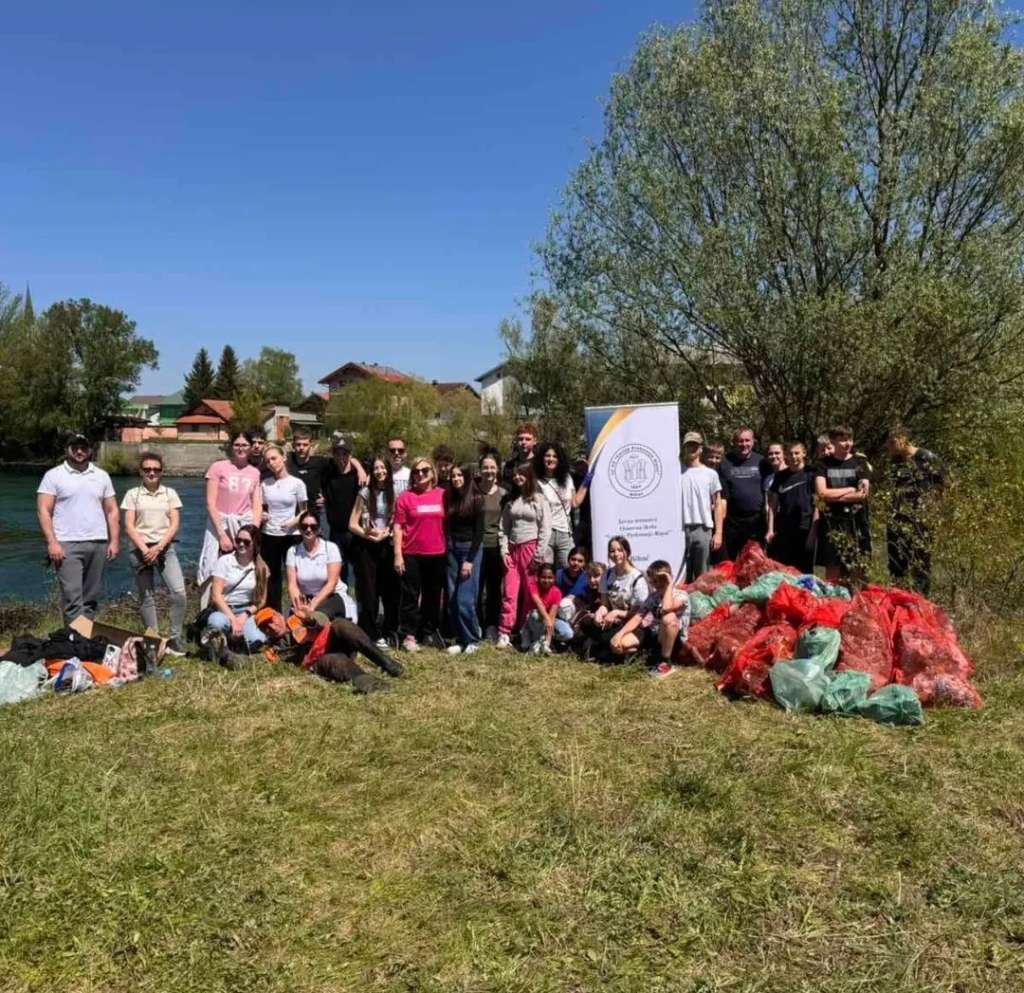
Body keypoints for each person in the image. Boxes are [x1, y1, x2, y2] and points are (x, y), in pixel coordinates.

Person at [36, 432, 120, 624]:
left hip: (98, 543)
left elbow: (112, 510)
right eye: (75, 448)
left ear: (90, 450)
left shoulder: (101, 476)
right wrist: (52, 543)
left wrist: (114, 540)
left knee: (90, 599)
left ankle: (85, 642)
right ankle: (73, 642)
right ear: (67, 450)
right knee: (72, 598)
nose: (80, 451)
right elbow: (43, 510)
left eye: (83, 447)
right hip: (66, 544)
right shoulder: (54, 476)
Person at [120, 452, 187, 655]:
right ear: (141, 471)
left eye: (156, 470)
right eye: (147, 469)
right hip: (140, 549)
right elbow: (129, 526)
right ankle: (154, 639)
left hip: (165, 548)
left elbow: (174, 523)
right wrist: (145, 549)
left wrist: (158, 547)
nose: (152, 473)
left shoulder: (170, 494)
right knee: (146, 596)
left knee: (179, 593)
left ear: (162, 472)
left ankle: (175, 639)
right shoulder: (132, 494)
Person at [197, 432, 262, 602]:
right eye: (237, 445)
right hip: (220, 523)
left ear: (250, 448)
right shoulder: (218, 467)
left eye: (244, 445)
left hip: (243, 524)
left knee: (245, 564)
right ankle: (206, 611)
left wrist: (253, 530)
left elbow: (256, 504)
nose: (240, 448)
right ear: (232, 447)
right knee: (211, 566)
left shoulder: (254, 472)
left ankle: (241, 605)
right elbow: (211, 503)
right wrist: (221, 534)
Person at [393, 456, 447, 652]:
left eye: (425, 470)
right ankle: (409, 634)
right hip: (412, 554)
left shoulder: (443, 495)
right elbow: (398, 527)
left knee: (433, 596)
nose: (420, 474)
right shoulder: (405, 497)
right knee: (410, 595)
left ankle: (428, 631)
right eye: (416, 471)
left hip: (437, 553)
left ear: (433, 472)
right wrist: (398, 554)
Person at [495, 462, 551, 649]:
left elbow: (545, 528)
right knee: (509, 592)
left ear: (529, 476)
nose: (518, 478)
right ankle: (504, 632)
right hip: (512, 550)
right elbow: (503, 528)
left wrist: (538, 554)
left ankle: (526, 632)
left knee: (530, 594)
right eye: (515, 475)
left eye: (522, 474)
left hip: (531, 549)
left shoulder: (538, 500)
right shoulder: (511, 501)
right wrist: (504, 551)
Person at [886, 427, 946, 595]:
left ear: (904, 438)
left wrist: (935, 509)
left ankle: (921, 602)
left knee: (921, 563)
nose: (889, 446)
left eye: (892, 442)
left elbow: (946, 482)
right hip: (897, 518)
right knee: (896, 562)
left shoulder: (925, 457)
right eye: (888, 442)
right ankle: (898, 600)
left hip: (921, 520)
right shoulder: (895, 461)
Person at [348, 455, 399, 646]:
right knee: (370, 591)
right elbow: (352, 524)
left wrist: (385, 534)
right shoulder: (365, 493)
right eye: (376, 468)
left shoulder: (395, 493)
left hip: (387, 544)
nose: (380, 472)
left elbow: (396, 522)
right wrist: (367, 535)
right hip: (367, 546)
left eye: (383, 468)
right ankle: (372, 632)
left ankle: (390, 629)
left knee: (390, 590)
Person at [609, 560, 689, 679]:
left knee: (668, 618)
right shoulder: (653, 597)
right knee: (620, 644)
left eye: (661, 579)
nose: (657, 584)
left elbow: (666, 608)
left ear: (669, 578)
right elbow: (638, 617)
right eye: (654, 581)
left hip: (672, 639)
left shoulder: (681, 595)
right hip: (655, 635)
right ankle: (650, 659)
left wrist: (670, 585)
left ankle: (666, 662)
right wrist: (619, 634)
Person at [814, 425, 872, 585]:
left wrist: (833, 497)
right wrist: (849, 490)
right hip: (832, 524)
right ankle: (835, 601)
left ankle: (858, 602)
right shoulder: (823, 464)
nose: (847, 444)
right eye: (843, 440)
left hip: (856, 523)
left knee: (859, 566)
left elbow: (862, 495)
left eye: (850, 440)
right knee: (833, 569)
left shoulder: (860, 462)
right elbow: (822, 493)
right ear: (832, 441)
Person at [579, 536, 649, 659]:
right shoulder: (607, 575)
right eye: (612, 551)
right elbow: (605, 604)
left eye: (620, 550)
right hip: (613, 624)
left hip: (633, 625)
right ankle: (609, 650)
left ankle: (610, 651)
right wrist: (600, 613)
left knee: (618, 644)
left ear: (627, 552)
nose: (616, 554)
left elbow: (638, 614)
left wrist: (616, 613)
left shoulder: (638, 579)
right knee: (585, 623)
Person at [204, 525, 269, 653]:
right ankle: (226, 638)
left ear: (255, 544)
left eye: (246, 542)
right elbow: (216, 596)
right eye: (238, 540)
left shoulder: (261, 567)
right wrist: (234, 620)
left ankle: (233, 640)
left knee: (257, 640)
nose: (241, 544)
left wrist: (245, 615)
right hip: (225, 609)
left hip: (246, 611)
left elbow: (261, 600)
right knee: (217, 623)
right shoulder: (224, 561)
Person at [260, 444, 307, 611]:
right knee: (272, 578)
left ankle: (298, 614)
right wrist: (263, 515)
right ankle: (273, 616)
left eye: (274, 458)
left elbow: (304, 512)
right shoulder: (265, 484)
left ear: (283, 458)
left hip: (291, 535)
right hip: (269, 535)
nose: (271, 463)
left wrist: (293, 522)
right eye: (267, 461)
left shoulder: (297, 483)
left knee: (295, 576)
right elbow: (262, 508)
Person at [444, 463, 485, 655]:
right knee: (452, 599)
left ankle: (473, 639)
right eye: (453, 476)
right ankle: (461, 639)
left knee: (464, 599)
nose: (456, 479)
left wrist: (469, 560)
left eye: (460, 475)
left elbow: (479, 533)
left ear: (467, 477)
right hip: (452, 550)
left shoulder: (477, 498)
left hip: (470, 550)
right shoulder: (450, 498)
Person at [286, 510, 352, 623]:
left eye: (313, 526)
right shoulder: (293, 551)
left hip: (331, 596)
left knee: (316, 618)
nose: (308, 529)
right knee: (294, 622)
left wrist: (312, 606)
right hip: (305, 599)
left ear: (319, 529)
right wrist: (299, 606)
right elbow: (292, 585)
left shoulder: (331, 548)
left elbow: (332, 583)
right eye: (304, 526)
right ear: (300, 529)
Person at [679, 431, 724, 581]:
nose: (691, 448)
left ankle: (702, 604)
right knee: (682, 577)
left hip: (702, 529)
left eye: (695, 445)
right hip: (679, 530)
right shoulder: (676, 472)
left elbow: (718, 504)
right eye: (688, 445)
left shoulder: (710, 474)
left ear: (700, 449)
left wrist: (718, 533)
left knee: (702, 577)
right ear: (683, 447)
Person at [766, 441, 817, 573]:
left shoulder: (812, 474)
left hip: (805, 528)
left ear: (804, 453)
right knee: (784, 570)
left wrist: (813, 532)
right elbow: (773, 505)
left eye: (797, 453)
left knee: (804, 572)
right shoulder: (780, 476)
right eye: (790, 454)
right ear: (785, 456)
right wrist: (770, 529)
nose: (793, 457)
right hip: (784, 529)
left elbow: (819, 504)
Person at [718, 427, 768, 559]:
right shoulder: (724, 462)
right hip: (732, 522)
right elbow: (721, 496)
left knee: (755, 562)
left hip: (756, 522)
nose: (744, 444)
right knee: (730, 563)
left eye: (747, 440)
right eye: (740, 441)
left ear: (753, 442)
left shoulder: (762, 462)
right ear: (734, 442)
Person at [533, 441, 583, 568]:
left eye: (554, 456)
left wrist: (586, 483)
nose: (551, 459)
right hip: (544, 533)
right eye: (547, 456)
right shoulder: (536, 481)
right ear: (541, 458)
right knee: (545, 572)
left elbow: (575, 503)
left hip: (565, 532)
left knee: (568, 570)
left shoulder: (567, 478)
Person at [321, 435, 361, 581]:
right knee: (338, 575)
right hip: (335, 532)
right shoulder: (328, 473)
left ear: (350, 454)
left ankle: (360, 604)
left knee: (359, 575)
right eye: (337, 453)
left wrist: (359, 467)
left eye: (344, 453)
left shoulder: (359, 475)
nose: (341, 457)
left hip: (356, 533)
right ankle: (343, 603)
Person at [476, 451, 506, 642]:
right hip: (476, 547)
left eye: (492, 467)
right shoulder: (473, 491)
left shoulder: (504, 494)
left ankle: (492, 625)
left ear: (498, 469)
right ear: (480, 469)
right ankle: (477, 623)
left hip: (495, 546)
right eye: (485, 467)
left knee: (494, 589)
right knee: (476, 589)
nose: (489, 471)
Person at [519, 562, 574, 654]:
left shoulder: (557, 592)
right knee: (535, 615)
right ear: (538, 577)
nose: (546, 580)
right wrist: (547, 619)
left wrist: (548, 638)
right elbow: (538, 603)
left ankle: (546, 641)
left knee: (568, 633)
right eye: (543, 577)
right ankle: (532, 637)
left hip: (548, 619)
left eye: (550, 578)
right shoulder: (533, 586)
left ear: (554, 578)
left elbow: (552, 614)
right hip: (535, 619)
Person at [288, 427, 328, 527]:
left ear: (311, 445)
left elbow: (337, 471)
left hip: (315, 513)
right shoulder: (287, 461)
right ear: (293, 445)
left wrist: (326, 497)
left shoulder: (320, 462)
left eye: (305, 444)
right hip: (293, 515)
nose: (301, 448)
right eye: (298, 444)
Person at [502, 422, 539, 486]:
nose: (523, 442)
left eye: (528, 439)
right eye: (520, 439)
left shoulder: (540, 464)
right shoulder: (510, 465)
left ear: (535, 441)